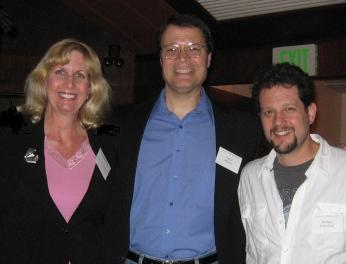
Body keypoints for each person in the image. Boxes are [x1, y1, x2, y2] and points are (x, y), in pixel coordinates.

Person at [103, 14, 266, 264]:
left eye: (194, 49)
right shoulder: (120, 124)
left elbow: (273, 186)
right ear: (160, 59)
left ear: (209, 58)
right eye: (172, 49)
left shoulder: (243, 131)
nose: (183, 58)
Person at [0, 38, 118, 264]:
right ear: (44, 80)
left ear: (91, 88)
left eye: (80, 75)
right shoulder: (10, 132)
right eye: (60, 72)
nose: (70, 83)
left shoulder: (108, 141)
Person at [238, 63, 346, 263]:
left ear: (310, 113)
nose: (279, 121)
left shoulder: (342, 172)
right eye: (269, 112)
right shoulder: (250, 178)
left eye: (289, 109)